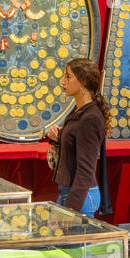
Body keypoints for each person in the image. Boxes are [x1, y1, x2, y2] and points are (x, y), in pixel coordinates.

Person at [47, 57, 108, 216]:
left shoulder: (90, 118)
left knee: (75, 241)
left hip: (80, 196)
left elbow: (85, 171)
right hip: (71, 191)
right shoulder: (80, 111)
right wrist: (59, 138)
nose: (63, 82)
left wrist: (71, 211)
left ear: (82, 82)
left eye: (68, 77)